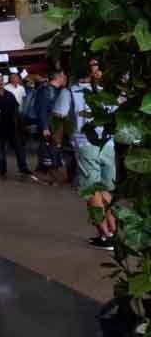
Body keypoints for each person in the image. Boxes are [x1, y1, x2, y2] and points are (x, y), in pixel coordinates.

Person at [69, 65, 117, 250]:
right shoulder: (108, 94)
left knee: (91, 190)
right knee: (105, 188)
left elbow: (59, 114)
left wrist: (57, 141)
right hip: (108, 145)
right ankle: (113, 229)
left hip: (86, 143)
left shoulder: (72, 92)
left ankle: (105, 235)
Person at [0, 74, 30, 178]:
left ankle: (23, 169)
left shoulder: (9, 94)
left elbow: (16, 109)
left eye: (2, 80)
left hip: (11, 126)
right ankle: (2, 171)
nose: (0, 82)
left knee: (19, 148)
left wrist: (21, 124)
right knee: (0, 151)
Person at [34, 70, 69, 184]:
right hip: (50, 125)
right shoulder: (47, 90)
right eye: (64, 76)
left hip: (55, 126)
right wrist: (44, 127)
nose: (66, 78)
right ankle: (45, 173)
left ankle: (49, 173)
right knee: (50, 150)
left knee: (53, 149)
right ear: (58, 77)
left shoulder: (58, 90)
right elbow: (42, 110)